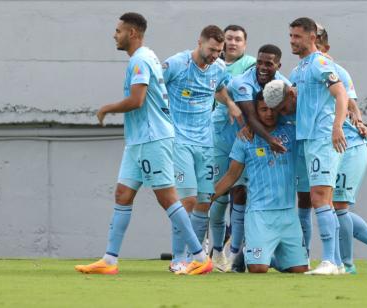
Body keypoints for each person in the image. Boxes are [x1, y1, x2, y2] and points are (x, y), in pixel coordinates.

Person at [74, 12, 212, 276]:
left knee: (168, 198)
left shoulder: (140, 60)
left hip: (153, 138)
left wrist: (107, 108)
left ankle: (200, 257)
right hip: (138, 140)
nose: (115, 35)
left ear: (132, 33)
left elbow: (137, 100)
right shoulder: (144, 58)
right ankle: (109, 260)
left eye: (118, 31)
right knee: (122, 195)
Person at [315, 24, 367, 274]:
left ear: (324, 48)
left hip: (348, 146)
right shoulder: (305, 70)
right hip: (331, 146)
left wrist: (359, 123)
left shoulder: (336, 71)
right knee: (334, 206)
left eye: (316, 43)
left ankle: (346, 264)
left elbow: (350, 104)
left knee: (338, 206)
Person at [162, 25, 243, 272]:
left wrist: (229, 103)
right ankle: (178, 258)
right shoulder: (176, 64)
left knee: (204, 201)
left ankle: (194, 256)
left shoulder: (218, 68)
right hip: (179, 141)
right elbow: (153, 89)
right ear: (199, 42)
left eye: (219, 51)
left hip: (205, 143)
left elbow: (218, 89)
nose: (215, 55)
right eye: (211, 49)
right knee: (186, 201)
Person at [212, 93, 308, 274]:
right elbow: (231, 176)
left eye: (273, 109)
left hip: (288, 213)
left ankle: (262, 255)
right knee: (258, 269)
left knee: (300, 270)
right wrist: (208, 198)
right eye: (263, 109)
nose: (269, 114)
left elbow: (307, 115)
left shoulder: (292, 132)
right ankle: (251, 254)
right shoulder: (245, 138)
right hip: (259, 215)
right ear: (255, 112)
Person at [285, 17, 349, 275]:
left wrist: (337, 127)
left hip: (322, 138)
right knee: (319, 200)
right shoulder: (297, 70)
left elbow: (341, 93)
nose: (292, 40)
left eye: (297, 36)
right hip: (306, 139)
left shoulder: (321, 63)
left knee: (320, 198)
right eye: (290, 36)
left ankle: (330, 261)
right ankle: (336, 262)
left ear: (312, 37)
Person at [210, 25, 256, 271]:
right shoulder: (212, 63)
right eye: (229, 39)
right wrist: (227, 102)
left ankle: (234, 251)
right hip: (217, 133)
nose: (233, 43)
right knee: (216, 194)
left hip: (242, 133)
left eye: (238, 39)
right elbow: (216, 92)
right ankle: (216, 251)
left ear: (245, 44)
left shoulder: (251, 64)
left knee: (240, 192)